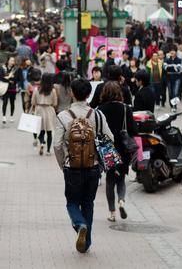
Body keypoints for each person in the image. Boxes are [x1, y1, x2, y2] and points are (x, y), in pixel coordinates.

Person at [54, 78, 113, 253]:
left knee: (72, 202)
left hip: (71, 167)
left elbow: (57, 145)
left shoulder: (63, 116)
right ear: (89, 94)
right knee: (88, 202)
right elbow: (110, 138)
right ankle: (86, 242)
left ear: (72, 93)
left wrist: (63, 163)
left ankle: (79, 224)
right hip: (93, 166)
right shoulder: (98, 115)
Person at [97, 82, 137, 222]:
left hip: (108, 148)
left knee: (110, 180)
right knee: (121, 179)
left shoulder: (100, 109)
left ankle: (112, 213)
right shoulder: (126, 108)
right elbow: (133, 130)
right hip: (124, 149)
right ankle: (121, 201)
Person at [31, 73, 58, 156]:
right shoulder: (52, 91)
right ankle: (48, 151)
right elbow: (55, 103)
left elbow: (33, 102)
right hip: (49, 110)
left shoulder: (37, 90)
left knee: (41, 130)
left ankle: (42, 142)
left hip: (39, 110)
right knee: (49, 132)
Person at [0, 57, 18, 123]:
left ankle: (11, 116)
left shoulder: (15, 69)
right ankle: (4, 116)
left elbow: (16, 79)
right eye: (11, 60)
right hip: (5, 87)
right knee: (5, 102)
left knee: (12, 102)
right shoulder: (3, 68)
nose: (12, 62)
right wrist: (9, 78)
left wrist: (8, 78)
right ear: (8, 61)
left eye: (13, 61)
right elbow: (1, 77)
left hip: (12, 88)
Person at [164, 47, 182, 112]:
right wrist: (174, 66)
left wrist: (170, 66)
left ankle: (174, 106)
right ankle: (171, 105)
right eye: (171, 51)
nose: (172, 52)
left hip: (177, 78)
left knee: (175, 93)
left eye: (173, 51)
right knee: (170, 93)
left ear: (176, 52)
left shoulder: (179, 59)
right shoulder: (166, 59)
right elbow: (165, 68)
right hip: (169, 78)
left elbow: (178, 69)